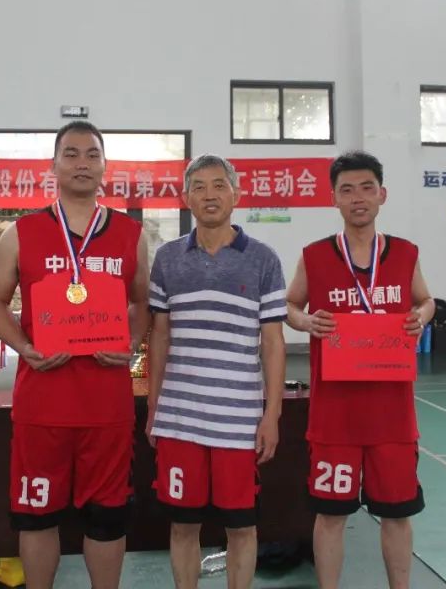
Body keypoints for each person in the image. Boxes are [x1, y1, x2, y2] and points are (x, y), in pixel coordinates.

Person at [0, 120, 149, 589]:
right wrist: (25, 348)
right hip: (42, 404)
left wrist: (131, 343)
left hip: (107, 405)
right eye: (71, 154)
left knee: (107, 518)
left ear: (105, 166)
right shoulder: (22, 232)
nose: (82, 163)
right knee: (37, 515)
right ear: (53, 165)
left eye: (92, 154)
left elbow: (142, 304)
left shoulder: (131, 234)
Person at [284, 151, 434, 589]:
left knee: (397, 515)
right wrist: (306, 322)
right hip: (335, 417)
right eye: (347, 190)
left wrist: (421, 316)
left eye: (367, 188)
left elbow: (426, 300)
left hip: (392, 417)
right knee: (331, 516)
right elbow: (289, 305)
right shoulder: (314, 256)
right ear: (334, 198)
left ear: (382, 194)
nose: (358, 198)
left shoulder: (405, 253)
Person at [146, 154, 287, 589]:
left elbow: (273, 342)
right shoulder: (167, 258)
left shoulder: (263, 259)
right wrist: (154, 408)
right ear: (186, 197)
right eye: (199, 187)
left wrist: (271, 415)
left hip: (238, 422)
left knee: (241, 528)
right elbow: (159, 337)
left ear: (236, 194)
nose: (210, 195)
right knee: (182, 526)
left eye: (219, 185)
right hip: (179, 420)